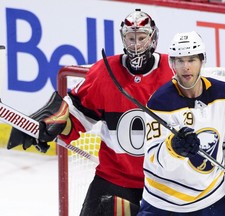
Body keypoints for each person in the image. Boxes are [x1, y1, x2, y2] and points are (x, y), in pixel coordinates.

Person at [7, 9, 174, 215]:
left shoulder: (173, 70)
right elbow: (78, 116)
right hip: (115, 178)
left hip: (165, 183)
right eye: (131, 38)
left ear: (152, 38)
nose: (136, 44)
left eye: (141, 38)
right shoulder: (106, 71)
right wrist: (55, 124)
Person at [137, 31, 225, 215]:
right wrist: (174, 148)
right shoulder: (160, 103)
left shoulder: (224, 95)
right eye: (180, 61)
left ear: (202, 61)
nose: (186, 67)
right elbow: (154, 160)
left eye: (192, 60)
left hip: (213, 196)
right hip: (164, 203)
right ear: (172, 64)